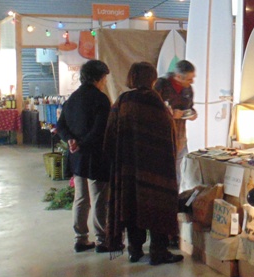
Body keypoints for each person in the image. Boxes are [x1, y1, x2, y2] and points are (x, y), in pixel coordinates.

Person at [103, 61, 183, 265]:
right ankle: (158, 251)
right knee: (157, 206)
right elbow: (168, 134)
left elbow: (110, 134)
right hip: (155, 168)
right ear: (152, 79)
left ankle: (135, 250)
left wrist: (117, 160)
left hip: (127, 167)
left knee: (131, 206)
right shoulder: (155, 102)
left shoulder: (122, 101)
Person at [55, 61, 111, 253]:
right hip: (96, 155)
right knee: (99, 199)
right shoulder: (101, 99)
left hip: (77, 156)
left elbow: (60, 126)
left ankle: (80, 239)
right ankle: (102, 240)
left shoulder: (73, 98)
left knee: (81, 198)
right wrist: (82, 143)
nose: (105, 81)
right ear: (99, 78)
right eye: (104, 77)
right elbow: (100, 129)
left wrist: (71, 140)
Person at [153, 59, 196, 188]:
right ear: (178, 77)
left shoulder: (188, 89)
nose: (192, 82)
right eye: (189, 79)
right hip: (162, 137)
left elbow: (190, 107)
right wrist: (170, 114)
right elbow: (152, 109)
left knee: (179, 173)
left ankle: (176, 197)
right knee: (163, 173)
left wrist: (192, 113)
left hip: (180, 138)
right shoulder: (161, 85)